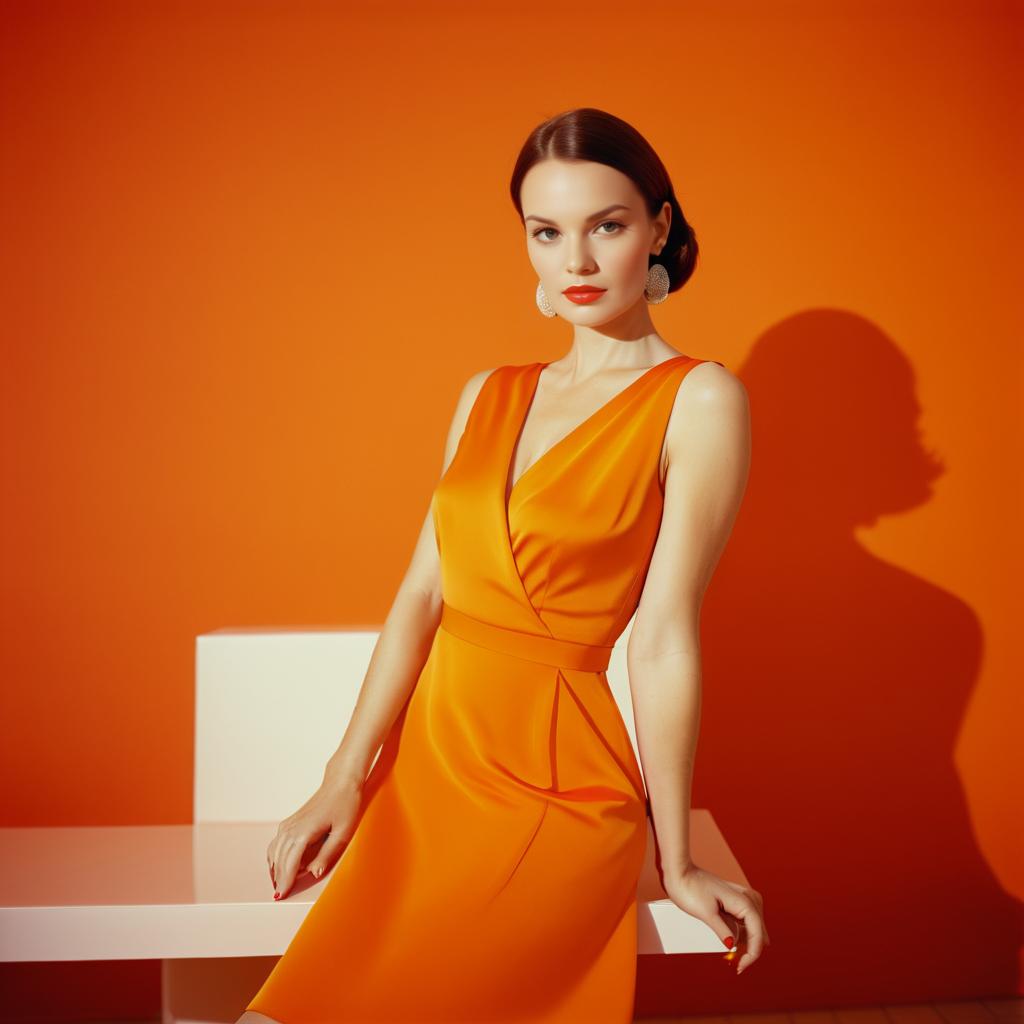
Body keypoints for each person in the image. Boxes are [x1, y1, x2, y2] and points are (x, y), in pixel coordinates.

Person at [239, 106, 767, 1024]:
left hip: (557, 785)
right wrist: (341, 777)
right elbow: (419, 597)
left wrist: (673, 858)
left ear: (659, 228)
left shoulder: (700, 399)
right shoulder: (489, 393)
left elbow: (664, 638)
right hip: (428, 769)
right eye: (547, 232)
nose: (578, 262)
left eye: (607, 225)